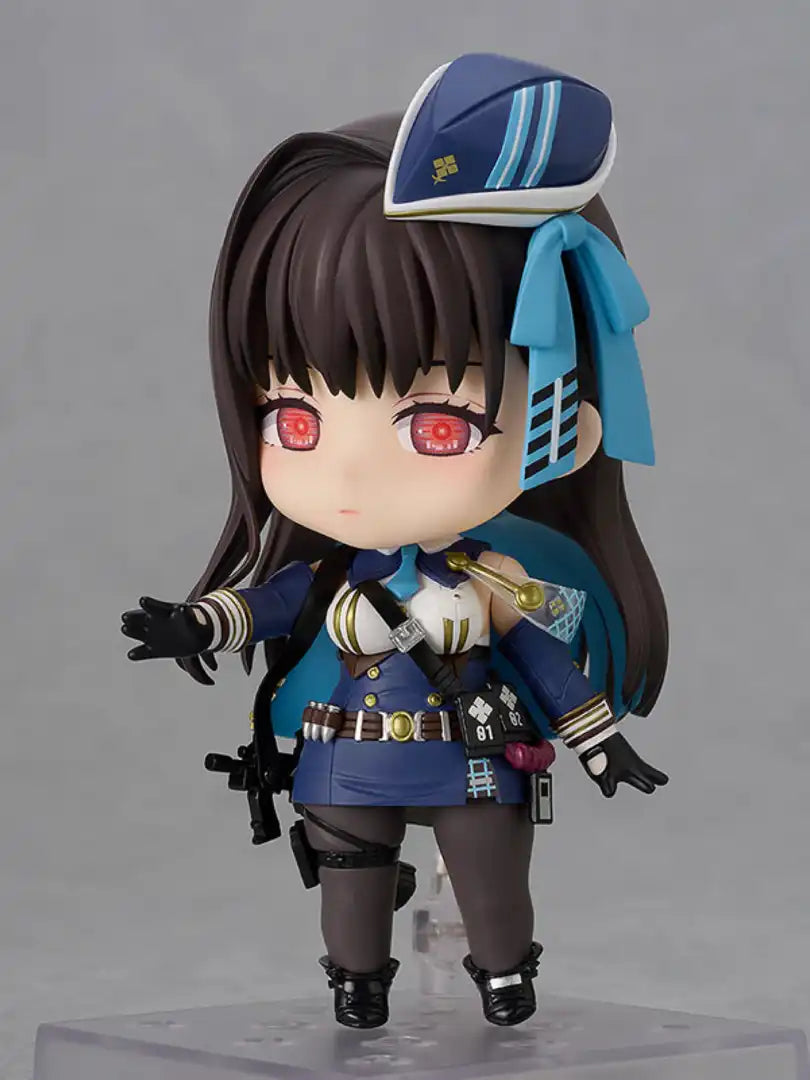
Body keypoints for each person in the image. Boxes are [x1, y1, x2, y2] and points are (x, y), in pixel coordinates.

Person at [121, 53, 669, 1030]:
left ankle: (503, 972)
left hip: (468, 756)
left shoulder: (494, 580)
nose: (348, 475)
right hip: (344, 758)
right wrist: (199, 624)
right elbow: (269, 605)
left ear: (565, 428)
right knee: (349, 883)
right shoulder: (332, 575)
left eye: (437, 426)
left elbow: (543, 661)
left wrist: (598, 741)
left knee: (489, 885)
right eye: (294, 417)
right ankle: (356, 980)